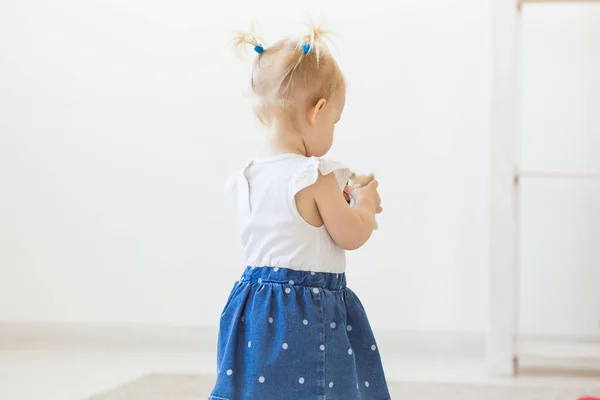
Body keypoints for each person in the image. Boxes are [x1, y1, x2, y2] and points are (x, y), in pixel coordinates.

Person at [210, 24, 390, 400]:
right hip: (305, 316)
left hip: (254, 311)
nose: (334, 130)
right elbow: (351, 234)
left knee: (261, 389)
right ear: (317, 111)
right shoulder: (315, 175)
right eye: (334, 121)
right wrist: (365, 204)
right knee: (319, 388)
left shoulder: (247, 176)